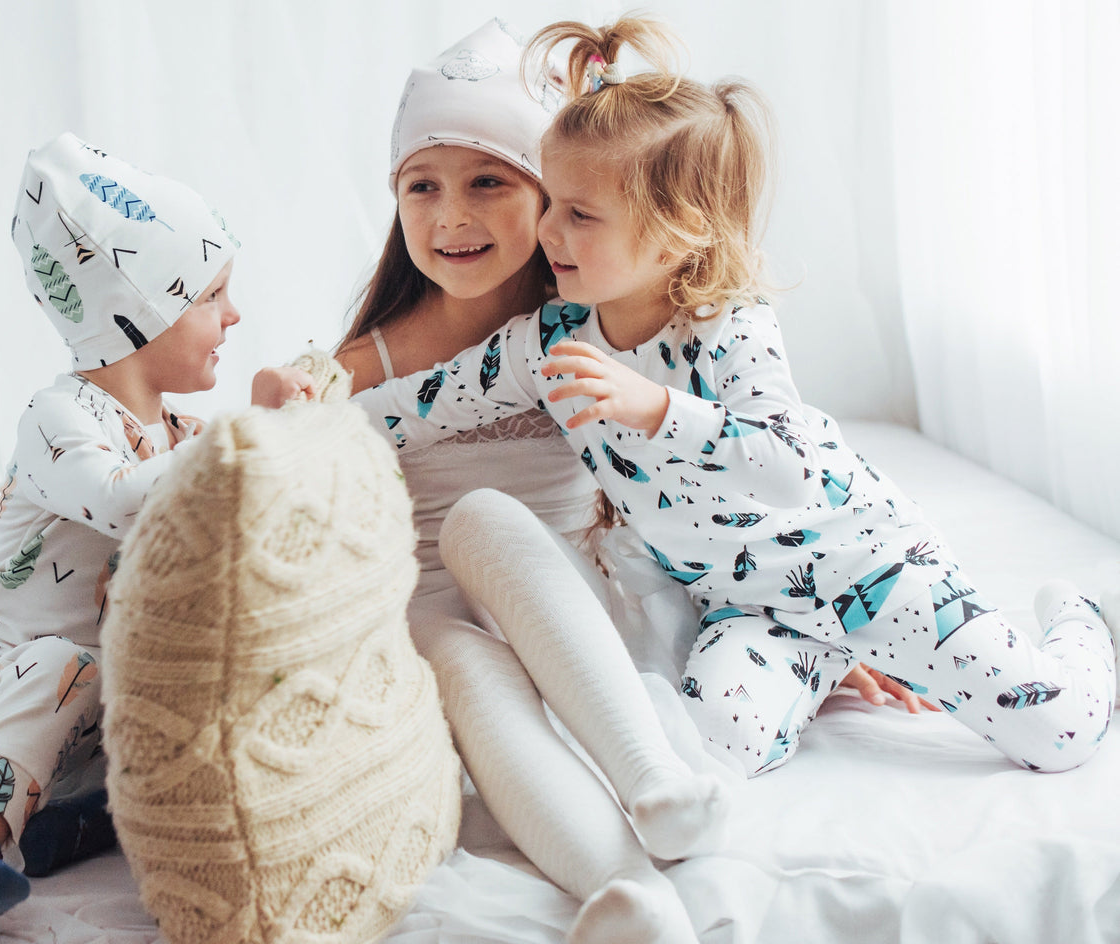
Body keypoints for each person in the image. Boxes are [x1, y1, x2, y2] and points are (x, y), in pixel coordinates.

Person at [354, 13, 1118, 790]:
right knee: (714, 746)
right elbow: (423, 404)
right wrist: (308, 416)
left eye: (580, 214)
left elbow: (788, 468)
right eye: (553, 202)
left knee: (1056, 732)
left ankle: (1080, 619)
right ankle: (822, 662)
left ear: (676, 233)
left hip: (865, 571)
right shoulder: (546, 345)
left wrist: (655, 409)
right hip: (745, 606)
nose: (549, 229)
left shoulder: (729, 327)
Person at [329, 20, 719, 944]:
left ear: (553, 199)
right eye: (420, 186)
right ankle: (624, 893)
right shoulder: (366, 360)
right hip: (427, 615)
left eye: (489, 182)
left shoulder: (587, 323)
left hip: (564, 606)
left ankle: (655, 780)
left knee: (487, 518)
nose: (450, 215)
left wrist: (820, 619)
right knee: (458, 657)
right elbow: (280, 472)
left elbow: (713, 477)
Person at [0, 132, 249, 943]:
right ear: (140, 314)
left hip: (110, 703)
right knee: (66, 664)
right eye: (211, 295)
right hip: (17, 676)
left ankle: (85, 823)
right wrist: (248, 437)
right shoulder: (57, 419)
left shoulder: (184, 429)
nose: (234, 315)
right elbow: (127, 504)